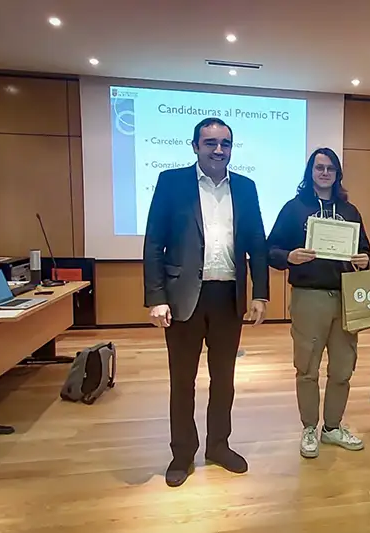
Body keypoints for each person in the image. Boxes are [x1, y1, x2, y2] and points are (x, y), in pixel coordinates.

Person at [143, 117, 269, 487]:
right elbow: (154, 243)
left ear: (231, 148)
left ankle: (218, 445)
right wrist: (156, 298)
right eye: (210, 142)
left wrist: (259, 293)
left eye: (225, 143)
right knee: (182, 381)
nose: (218, 150)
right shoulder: (171, 182)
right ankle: (182, 453)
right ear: (195, 145)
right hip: (183, 298)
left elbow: (258, 245)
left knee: (224, 379)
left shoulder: (246, 187)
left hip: (227, 296)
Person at [267, 147, 370, 458]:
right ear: (310, 173)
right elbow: (270, 248)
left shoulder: (350, 211)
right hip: (309, 297)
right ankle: (310, 427)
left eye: (330, 168)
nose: (325, 173)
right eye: (319, 168)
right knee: (307, 367)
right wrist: (289, 256)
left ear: (337, 174)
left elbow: (365, 252)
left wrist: (364, 260)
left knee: (342, 369)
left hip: (345, 298)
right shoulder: (294, 208)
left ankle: (333, 427)